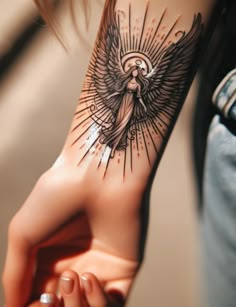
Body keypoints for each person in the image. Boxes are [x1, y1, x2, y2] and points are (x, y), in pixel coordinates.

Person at [2, 0, 229, 306]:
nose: (135, 72)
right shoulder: (130, 81)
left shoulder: (138, 84)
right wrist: (98, 173)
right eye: (133, 69)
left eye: (137, 70)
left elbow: (144, 92)